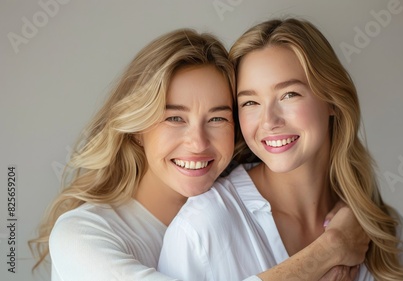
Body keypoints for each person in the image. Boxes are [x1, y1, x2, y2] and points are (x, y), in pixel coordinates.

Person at [29, 28, 368, 281]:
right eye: (175, 117)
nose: (198, 142)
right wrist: (330, 248)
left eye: (218, 118)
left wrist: (356, 205)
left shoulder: (238, 203)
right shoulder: (82, 235)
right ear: (136, 129)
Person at [158, 18, 403, 281]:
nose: (269, 121)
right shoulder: (200, 230)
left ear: (332, 100)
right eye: (250, 102)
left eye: (289, 95)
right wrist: (331, 248)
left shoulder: (387, 234)